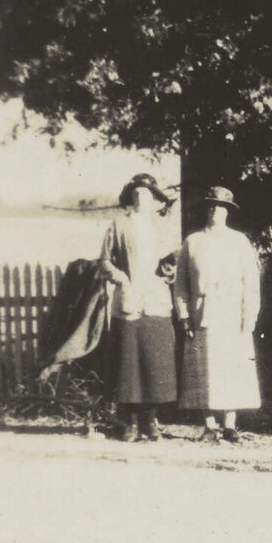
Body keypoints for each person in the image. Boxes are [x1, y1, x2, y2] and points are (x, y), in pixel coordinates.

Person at [173, 186, 262, 439]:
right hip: (202, 311)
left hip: (231, 313)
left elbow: (251, 282)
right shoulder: (193, 241)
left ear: (227, 212)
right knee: (205, 368)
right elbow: (180, 284)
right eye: (211, 205)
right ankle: (210, 424)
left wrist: (249, 315)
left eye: (221, 207)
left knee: (231, 366)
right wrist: (184, 315)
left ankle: (230, 424)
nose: (215, 211)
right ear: (206, 210)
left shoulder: (239, 241)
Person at [99, 173, 179, 440]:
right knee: (129, 362)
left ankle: (152, 420)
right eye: (136, 193)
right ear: (130, 197)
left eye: (145, 193)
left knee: (155, 361)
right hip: (130, 299)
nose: (140, 197)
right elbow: (105, 261)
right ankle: (130, 422)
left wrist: (169, 270)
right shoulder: (120, 224)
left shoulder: (162, 226)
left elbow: (171, 265)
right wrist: (120, 278)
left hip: (155, 301)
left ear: (155, 199)